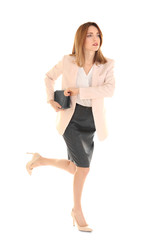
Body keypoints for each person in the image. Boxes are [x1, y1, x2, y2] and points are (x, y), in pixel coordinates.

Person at [26, 21, 115, 232]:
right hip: (71, 120)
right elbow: (48, 77)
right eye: (90, 35)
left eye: (98, 35)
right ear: (81, 39)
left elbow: (109, 90)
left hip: (92, 121)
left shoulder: (107, 64)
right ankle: (77, 210)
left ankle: (40, 160)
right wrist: (50, 99)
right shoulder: (68, 61)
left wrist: (79, 91)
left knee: (75, 168)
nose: (95, 39)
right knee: (84, 168)